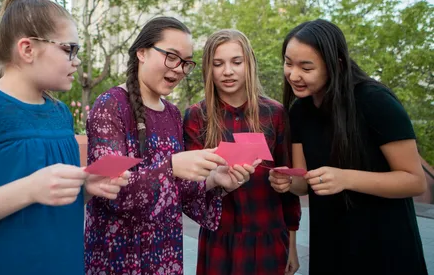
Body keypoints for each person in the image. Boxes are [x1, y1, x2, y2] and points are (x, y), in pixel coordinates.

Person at [0, 0, 128, 275]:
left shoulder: (60, 113)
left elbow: (52, 198)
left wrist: (85, 189)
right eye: (69, 49)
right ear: (27, 49)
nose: (76, 62)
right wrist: (28, 190)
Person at [84, 17, 259, 274]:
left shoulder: (173, 114)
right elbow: (110, 189)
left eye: (186, 62)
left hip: (166, 256)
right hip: (118, 257)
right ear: (141, 52)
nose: (178, 69)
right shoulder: (111, 105)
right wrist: (171, 166)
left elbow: (178, 193)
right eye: (171, 57)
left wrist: (214, 179)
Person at [269, 19, 428, 275]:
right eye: (288, 63)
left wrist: (346, 178)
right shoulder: (300, 110)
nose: (293, 75)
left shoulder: (375, 101)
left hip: (386, 247)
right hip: (330, 244)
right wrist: (287, 180)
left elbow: (414, 181)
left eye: (306, 67)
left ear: (336, 65)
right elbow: (303, 183)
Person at [183, 29, 302, 275]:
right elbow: (189, 187)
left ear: (249, 63)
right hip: (219, 237)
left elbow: (288, 183)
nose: (228, 71)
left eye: (236, 62)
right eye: (218, 64)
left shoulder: (275, 113)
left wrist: (292, 242)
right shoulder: (197, 115)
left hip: (269, 235)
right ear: (209, 68)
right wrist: (213, 177)